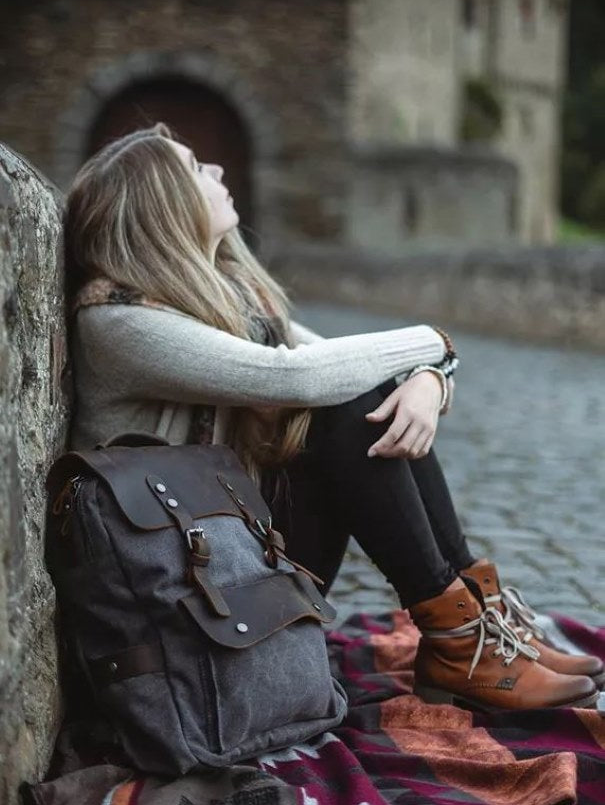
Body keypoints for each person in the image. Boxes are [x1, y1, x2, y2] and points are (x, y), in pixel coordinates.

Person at [63, 122, 602, 714]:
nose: (216, 172)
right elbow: (296, 376)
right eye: (195, 167)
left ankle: (477, 623)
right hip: (175, 603)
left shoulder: (222, 299)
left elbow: (342, 365)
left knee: (361, 396)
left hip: (225, 563)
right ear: (160, 205)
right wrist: (434, 341)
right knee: (342, 407)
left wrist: (428, 378)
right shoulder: (120, 322)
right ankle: (459, 641)